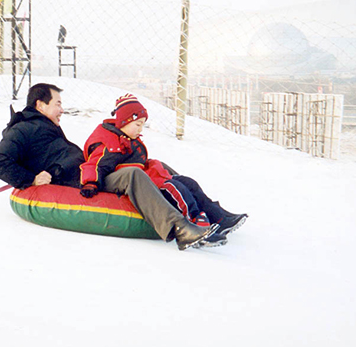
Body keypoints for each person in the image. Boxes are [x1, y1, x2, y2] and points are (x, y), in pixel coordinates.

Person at [0, 83, 217, 251]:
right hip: (82, 180)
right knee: (132, 175)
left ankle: (210, 215)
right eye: (57, 103)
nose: (62, 109)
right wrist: (31, 178)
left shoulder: (42, 126)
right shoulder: (22, 130)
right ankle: (180, 228)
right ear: (40, 104)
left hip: (91, 170)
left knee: (155, 165)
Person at [79, 94, 248, 247]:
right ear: (124, 121)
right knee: (151, 179)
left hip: (133, 173)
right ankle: (187, 226)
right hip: (107, 180)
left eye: (142, 125)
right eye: (137, 124)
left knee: (185, 181)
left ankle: (217, 216)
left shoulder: (128, 137)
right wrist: (90, 183)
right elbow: (93, 165)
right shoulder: (107, 141)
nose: (140, 129)